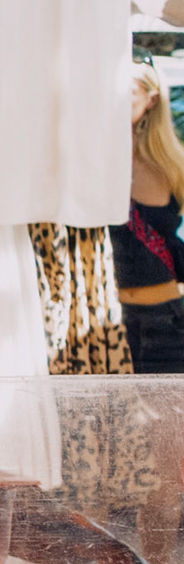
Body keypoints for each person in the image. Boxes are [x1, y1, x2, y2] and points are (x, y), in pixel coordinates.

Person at [109, 61, 184, 373]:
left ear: (151, 99)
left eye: (128, 94)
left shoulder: (169, 163)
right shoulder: (97, 160)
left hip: (166, 318)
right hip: (109, 320)